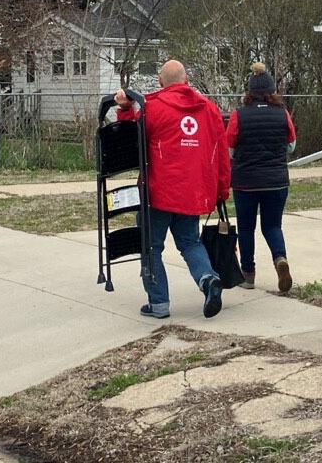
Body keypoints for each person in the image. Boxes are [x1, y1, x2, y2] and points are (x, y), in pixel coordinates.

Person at [114, 59, 230, 320]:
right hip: (194, 192)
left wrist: (123, 110)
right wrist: (222, 189)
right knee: (190, 242)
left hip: (157, 193)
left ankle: (159, 304)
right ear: (187, 81)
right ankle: (208, 278)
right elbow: (222, 154)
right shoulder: (210, 110)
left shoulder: (151, 108)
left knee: (151, 247)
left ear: (160, 82)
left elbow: (129, 144)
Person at [225, 62, 296, 291]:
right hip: (276, 180)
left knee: (246, 228)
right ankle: (280, 258)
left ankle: (248, 274)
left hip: (246, 182)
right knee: (273, 226)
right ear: (272, 91)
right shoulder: (282, 113)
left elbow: (229, 148)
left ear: (250, 91)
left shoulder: (239, 114)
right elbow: (291, 145)